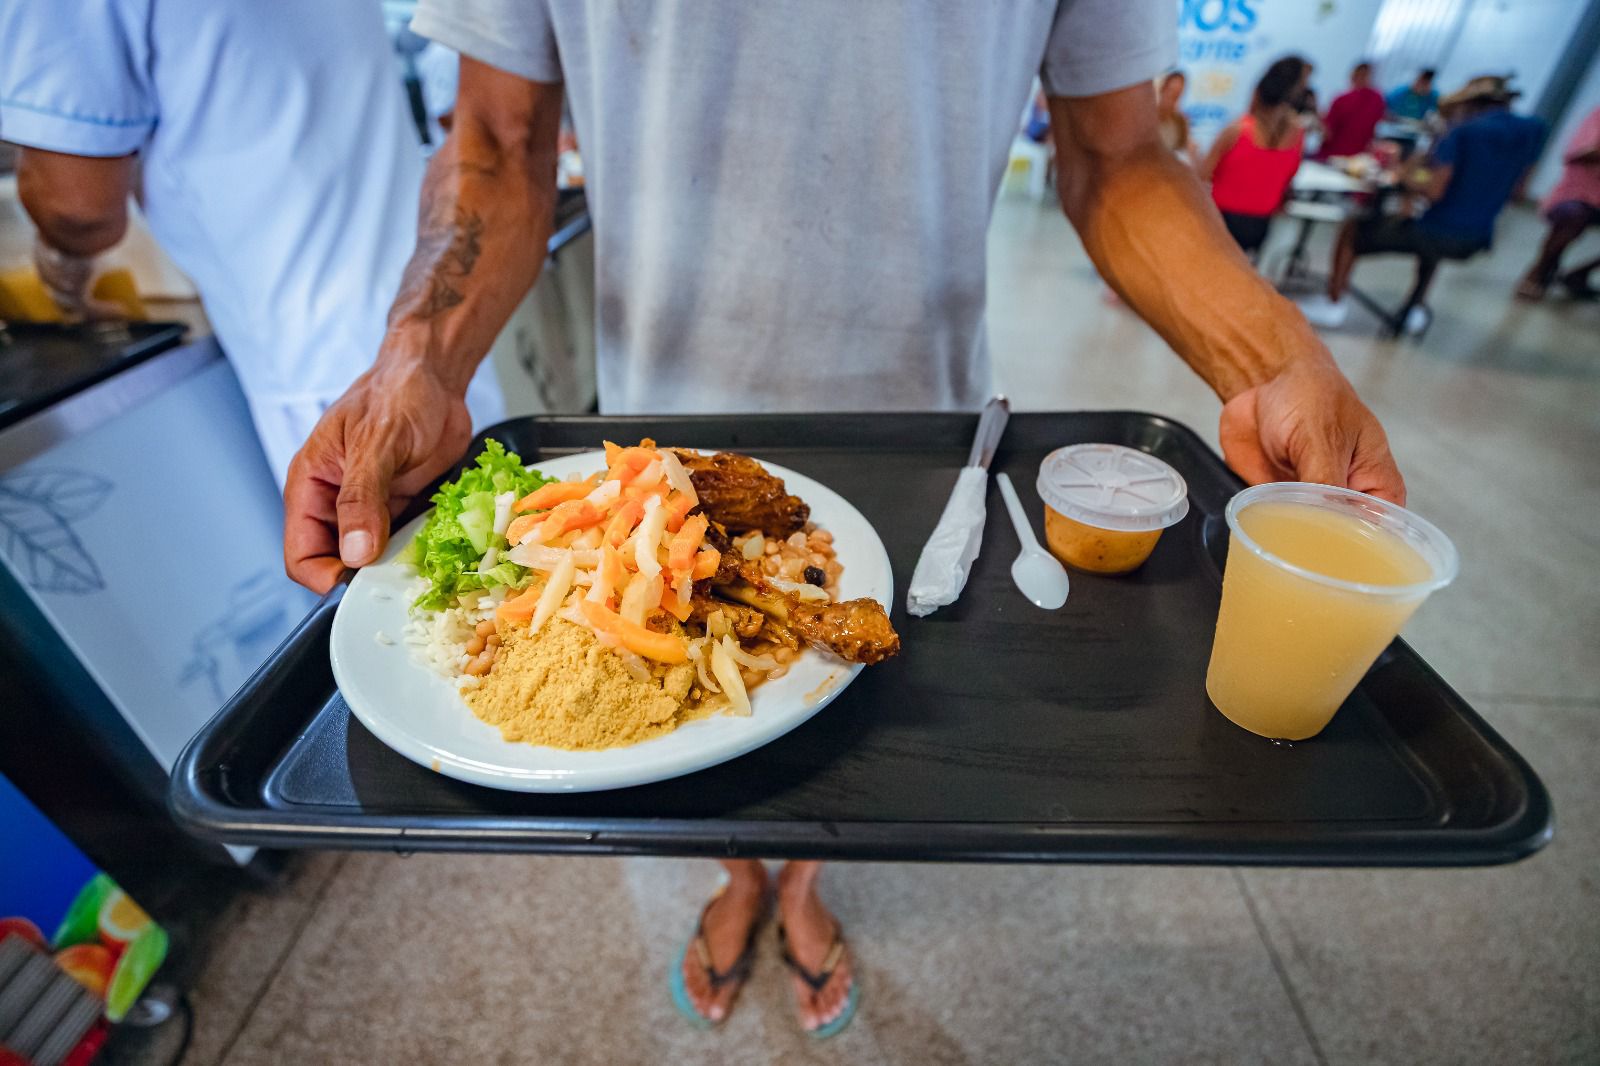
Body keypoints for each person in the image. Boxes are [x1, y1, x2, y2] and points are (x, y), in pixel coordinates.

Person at [282, 1, 1404, 1038]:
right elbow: (495, 136)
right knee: (686, 737)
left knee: (856, 732)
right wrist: (413, 359)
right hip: (655, 450)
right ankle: (738, 880)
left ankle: (805, 885)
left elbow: (1117, 153)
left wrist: (1278, 364)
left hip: (920, 436)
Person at [0, 1, 503, 486]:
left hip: (330, 370)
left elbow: (76, 207)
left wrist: (60, 265)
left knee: (437, 537)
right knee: (495, 527)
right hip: (437, 322)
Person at [1303, 76, 1544, 328]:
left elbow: (1434, 190)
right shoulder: (1531, 130)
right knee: (1430, 247)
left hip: (1440, 231)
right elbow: (1518, 191)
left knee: (1354, 228)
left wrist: (1404, 172)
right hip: (1478, 235)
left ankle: (1333, 304)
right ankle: (1414, 308)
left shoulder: (1462, 131)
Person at [1202, 57, 1310, 257]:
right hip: (1260, 224)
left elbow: (1203, 174)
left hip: (1220, 221)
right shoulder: (1297, 136)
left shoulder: (1238, 130)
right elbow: (1289, 176)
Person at [1517, 105, 1600, 300]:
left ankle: (1579, 274)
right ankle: (1538, 272)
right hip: (1577, 194)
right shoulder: (1597, 117)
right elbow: (1577, 153)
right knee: (1573, 216)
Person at [1316, 61, 1387, 161]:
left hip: (1336, 155)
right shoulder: (1377, 99)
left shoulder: (1342, 99)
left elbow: (1327, 133)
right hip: (1356, 157)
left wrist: (1318, 119)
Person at [1157, 70, 1200, 168]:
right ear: (1162, 89)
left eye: (1177, 96)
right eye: (1170, 92)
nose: (1171, 100)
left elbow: (1190, 151)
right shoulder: (1147, 118)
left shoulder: (1180, 122)